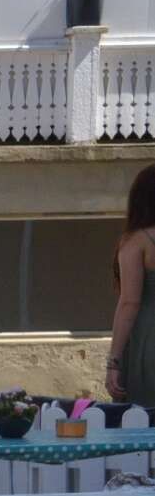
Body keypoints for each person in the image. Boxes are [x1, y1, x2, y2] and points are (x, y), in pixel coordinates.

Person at [108, 164, 155, 404]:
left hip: (146, 342)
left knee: (140, 418)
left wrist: (113, 361)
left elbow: (130, 302)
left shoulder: (138, 240)